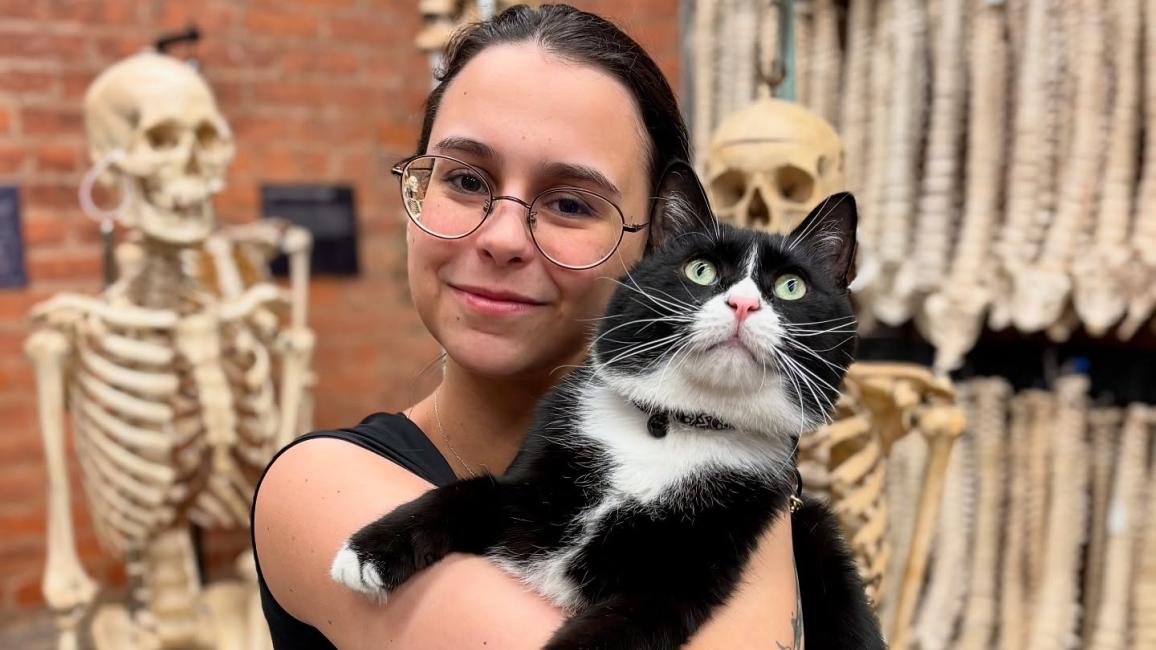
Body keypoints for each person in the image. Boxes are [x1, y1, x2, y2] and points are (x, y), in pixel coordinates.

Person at [252, 5, 802, 649]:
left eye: (570, 203)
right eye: (464, 179)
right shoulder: (320, 487)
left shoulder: (742, 473)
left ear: (661, 248)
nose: (502, 237)